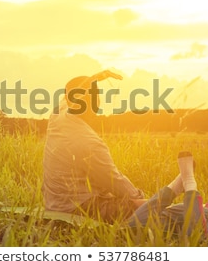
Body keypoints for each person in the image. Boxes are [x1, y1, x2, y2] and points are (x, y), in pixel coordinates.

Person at [42, 70, 146, 223]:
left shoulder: (57, 115)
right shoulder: (90, 143)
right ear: (97, 101)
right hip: (79, 210)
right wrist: (139, 196)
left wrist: (94, 79)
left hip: (53, 204)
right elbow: (115, 182)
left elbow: (71, 95)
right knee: (144, 206)